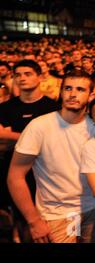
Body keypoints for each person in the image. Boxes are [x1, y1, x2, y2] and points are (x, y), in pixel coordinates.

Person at [7, 70, 95, 243]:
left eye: (80, 89)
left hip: (94, 211)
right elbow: (15, 177)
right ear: (61, 91)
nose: (73, 94)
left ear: (91, 95)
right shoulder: (39, 127)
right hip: (57, 215)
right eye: (68, 88)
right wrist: (34, 221)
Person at [0, 60, 60, 243]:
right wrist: (38, 142)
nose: (22, 78)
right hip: (15, 173)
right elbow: (1, 141)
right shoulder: (6, 108)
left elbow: (55, 143)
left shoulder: (53, 108)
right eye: (17, 75)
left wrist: (13, 137)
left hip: (48, 174)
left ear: (40, 77)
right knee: (24, 223)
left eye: (27, 74)